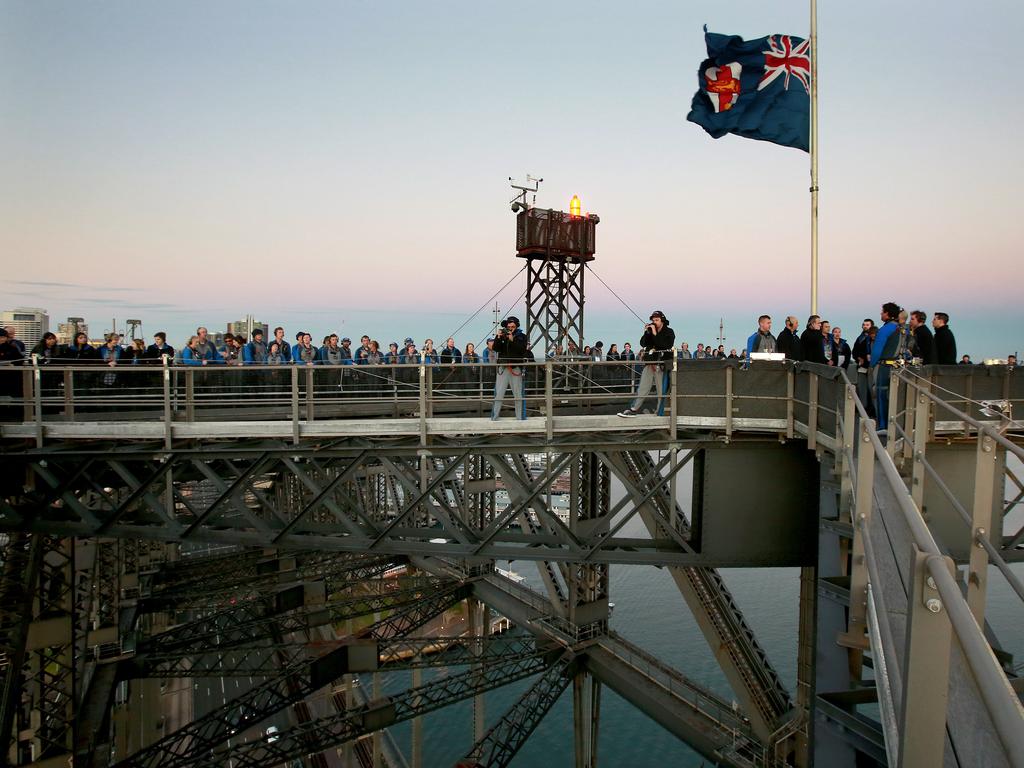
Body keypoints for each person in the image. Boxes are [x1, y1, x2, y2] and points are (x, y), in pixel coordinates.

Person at [619, 310, 675, 417]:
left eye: (657, 320)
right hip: (650, 363)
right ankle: (634, 409)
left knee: (661, 390)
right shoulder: (650, 331)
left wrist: (654, 333)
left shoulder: (669, 332)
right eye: (653, 320)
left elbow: (664, 345)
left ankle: (660, 411)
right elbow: (643, 343)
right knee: (643, 387)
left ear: (662, 320)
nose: (655, 322)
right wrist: (647, 332)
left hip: (661, 365)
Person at [870, 302, 902, 432]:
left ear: (887, 313)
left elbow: (877, 350)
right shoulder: (899, 328)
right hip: (895, 366)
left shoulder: (886, 329)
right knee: (892, 396)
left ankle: (882, 425)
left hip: (883, 366)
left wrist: (872, 364)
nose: (881, 314)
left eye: (882, 312)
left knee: (880, 395)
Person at [491, 316, 529, 420]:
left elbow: (522, 350)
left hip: (515, 367)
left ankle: (520, 417)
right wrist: (498, 337)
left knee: (518, 393)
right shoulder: (502, 335)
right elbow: (495, 348)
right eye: (509, 326)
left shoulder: (522, 336)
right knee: (499, 393)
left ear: (516, 326)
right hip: (503, 368)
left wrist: (512, 340)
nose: (510, 328)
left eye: (512, 326)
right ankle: (494, 417)